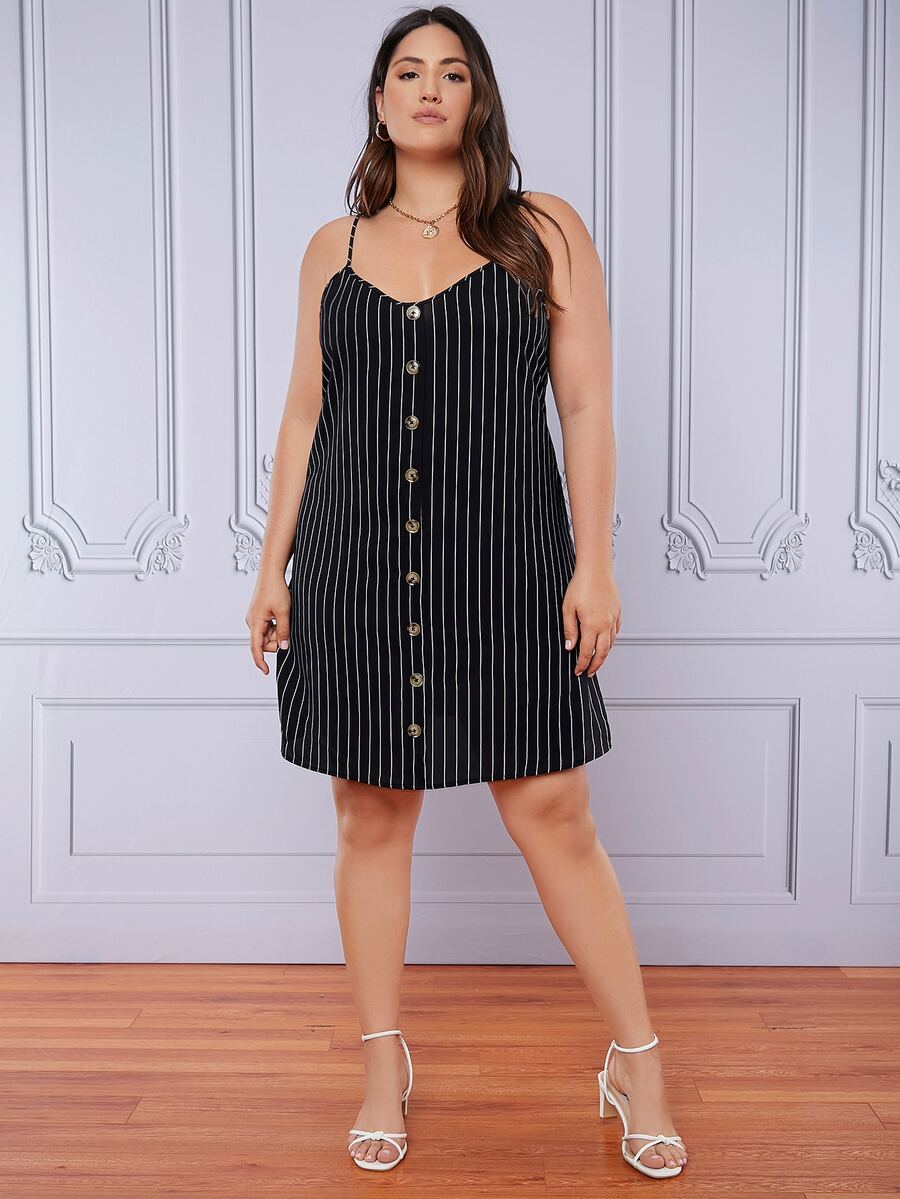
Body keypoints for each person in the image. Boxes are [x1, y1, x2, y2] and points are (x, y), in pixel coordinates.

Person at [245, 4, 687, 1181]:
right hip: (353, 568)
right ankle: (381, 1061)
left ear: (477, 97)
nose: (430, 88)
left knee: (553, 812)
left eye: (452, 71)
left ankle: (638, 1061)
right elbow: (304, 417)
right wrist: (273, 563)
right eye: (408, 71)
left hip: (510, 566)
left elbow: (584, 404)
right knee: (369, 815)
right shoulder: (332, 249)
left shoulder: (545, 230)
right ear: (381, 100)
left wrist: (594, 561)